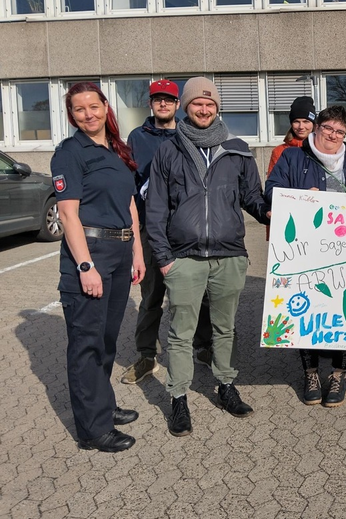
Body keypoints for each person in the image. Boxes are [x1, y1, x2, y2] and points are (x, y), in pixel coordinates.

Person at [147, 77, 269, 437]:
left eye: (210, 104)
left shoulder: (238, 149)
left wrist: (277, 212)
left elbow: (253, 198)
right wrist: (166, 259)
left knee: (225, 327)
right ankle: (178, 397)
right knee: (181, 333)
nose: (204, 109)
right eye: (197, 104)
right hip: (184, 258)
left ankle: (226, 386)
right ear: (186, 107)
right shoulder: (169, 150)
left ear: (218, 108)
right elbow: (154, 210)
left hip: (229, 256)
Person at [51, 82, 145, 453]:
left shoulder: (117, 150)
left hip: (120, 252)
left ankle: (102, 405)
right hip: (91, 253)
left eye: (94, 106)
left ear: (106, 106)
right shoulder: (70, 153)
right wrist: (85, 265)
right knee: (87, 344)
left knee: (107, 338)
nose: (88, 114)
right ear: (71, 115)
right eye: (79, 109)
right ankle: (92, 429)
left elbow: (131, 206)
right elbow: (68, 214)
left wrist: (137, 253)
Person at [265, 106, 346, 407]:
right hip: (304, 250)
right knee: (307, 309)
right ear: (316, 128)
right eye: (328, 129)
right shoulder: (293, 157)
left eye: (339, 132)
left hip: (343, 251)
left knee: (343, 307)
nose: (333, 136)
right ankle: (310, 371)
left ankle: (339, 373)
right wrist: (300, 196)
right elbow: (270, 191)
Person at [121, 79, 213, 385]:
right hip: (151, 228)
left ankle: (203, 347)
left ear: (178, 104)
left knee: (197, 294)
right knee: (151, 296)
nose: (163, 104)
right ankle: (147, 355)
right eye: (158, 99)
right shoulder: (137, 137)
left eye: (169, 100)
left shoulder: (190, 134)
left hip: (188, 229)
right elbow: (131, 187)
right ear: (151, 103)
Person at [267, 96, 316, 175]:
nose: (301, 127)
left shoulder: (321, 149)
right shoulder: (279, 151)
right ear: (291, 124)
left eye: (306, 121)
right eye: (296, 121)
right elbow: (273, 183)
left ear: (313, 124)